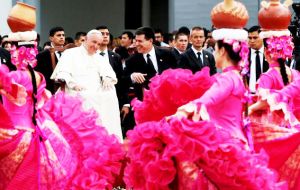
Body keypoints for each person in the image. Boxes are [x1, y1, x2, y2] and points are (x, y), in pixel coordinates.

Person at [123, 1, 285, 189]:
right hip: (235, 143)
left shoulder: (227, 79)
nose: (213, 52)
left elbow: (206, 100)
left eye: (215, 48)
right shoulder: (238, 77)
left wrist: (181, 113)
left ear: (223, 51)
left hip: (225, 147)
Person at [0, 30, 124, 189]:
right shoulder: (38, 76)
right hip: (40, 129)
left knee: (19, 177)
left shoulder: (16, 77)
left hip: (17, 133)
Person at [51, 29, 123, 140]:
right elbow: (63, 72)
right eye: (94, 42)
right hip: (76, 86)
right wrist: (72, 84)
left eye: (99, 44)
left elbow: (109, 73)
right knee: (86, 96)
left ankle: (106, 137)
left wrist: (107, 78)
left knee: (110, 94)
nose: (96, 46)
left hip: (95, 86)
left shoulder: (99, 57)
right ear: (85, 40)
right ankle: (87, 137)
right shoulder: (70, 53)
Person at [124, 26, 177, 100]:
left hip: (168, 98)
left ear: (150, 40)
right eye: (136, 41)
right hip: (146, 101)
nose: (137, 44)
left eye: (140, 41)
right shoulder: (131, 60)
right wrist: (132, 76)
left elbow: (177, 73)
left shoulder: (167, 54)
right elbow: (123, 80)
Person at [35, 26, 65, 94]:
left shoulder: (69, 53)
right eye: (58, 35)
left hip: (67, 91)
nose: (62, 37)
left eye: (63, 35)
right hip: (50, 91)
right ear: (51, 38)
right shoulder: (42, 55)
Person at [247, 25, 269, 93]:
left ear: (262, 37)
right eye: (250, 38)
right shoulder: (244, 54)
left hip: (266, 94)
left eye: (255, 38)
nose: (252, 41)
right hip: (249, 96)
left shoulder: (269, 54)